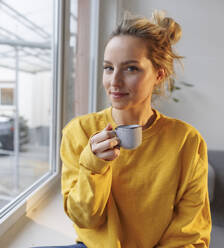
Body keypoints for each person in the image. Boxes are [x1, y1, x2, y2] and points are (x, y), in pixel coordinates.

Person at [35, 10, 211, 248]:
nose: (114, 81)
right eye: (108, 68)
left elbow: (189, 236)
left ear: (159, 74)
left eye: (131, 69)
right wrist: (93, 165)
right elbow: (84, 219)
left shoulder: (186, 141)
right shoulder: (79, 132)